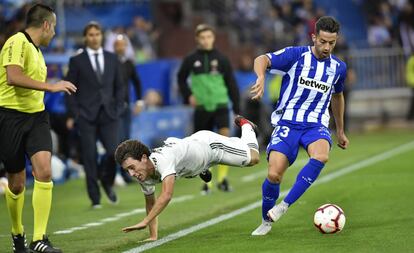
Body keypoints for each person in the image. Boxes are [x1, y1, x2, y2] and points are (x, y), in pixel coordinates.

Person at [249, 16, 349, 236]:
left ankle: (284, 205)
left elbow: (338, 96)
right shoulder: (296, 56)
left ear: (336, 40)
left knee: (321, 156)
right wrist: (261, 77)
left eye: (331, 43)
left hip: (315, 125)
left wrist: (340, 130)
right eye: (322, 41)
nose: (326, 47)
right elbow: (262, 59)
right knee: (274, 175)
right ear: (314, 37)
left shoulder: (338, 68)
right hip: (287, 123)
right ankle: (266, 221)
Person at [0, 4, 77, 253]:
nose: (54, 32)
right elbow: (13, 76)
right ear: (45, 25)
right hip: (9, 117)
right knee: (17, 184)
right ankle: (17, 233)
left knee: (44, 171)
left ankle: (39, 239)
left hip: (36, 117)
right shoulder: (16, 42)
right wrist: (51, 86)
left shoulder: (37, 50)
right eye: (53, 26)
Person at [114, 116, 259, 240]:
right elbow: (151, 204)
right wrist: (153, 236)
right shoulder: (143, 175)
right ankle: (202, 169)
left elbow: (166, 195)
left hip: (212, 147)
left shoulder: (164, 160)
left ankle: (247, 126)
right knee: (186, 168)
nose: (132, 174)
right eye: (127, 170)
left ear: (144, 158)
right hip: (191, 159)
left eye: (132, 168)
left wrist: (145, 221)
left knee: (254, 158)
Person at [65, 21, 124, 208]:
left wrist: (119, 106)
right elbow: (70, 89)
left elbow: (120, 86)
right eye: (90, 35)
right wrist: (76, 114)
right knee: (89, 157)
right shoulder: (76, 61)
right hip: (86, 116)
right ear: (85, 38)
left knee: (114, 152)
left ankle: (107, 182)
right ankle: (95, 198)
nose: (94, 37)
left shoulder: (112, 58)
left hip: (109, 114)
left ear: (101, 36)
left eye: (97, 34)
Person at [177, 24, 240, 194]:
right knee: (203, 147)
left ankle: (222, 180)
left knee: (224, 143)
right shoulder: (190, 59)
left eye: (209, 37)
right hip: (202, 107)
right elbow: (181, 78)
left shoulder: (222, 58)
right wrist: (188, 95)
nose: (206, 40)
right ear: (197, 39)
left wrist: (237, 107)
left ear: (213, 38)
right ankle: (208, 183)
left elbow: (231, 84)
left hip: (220, 105)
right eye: (202, 38)